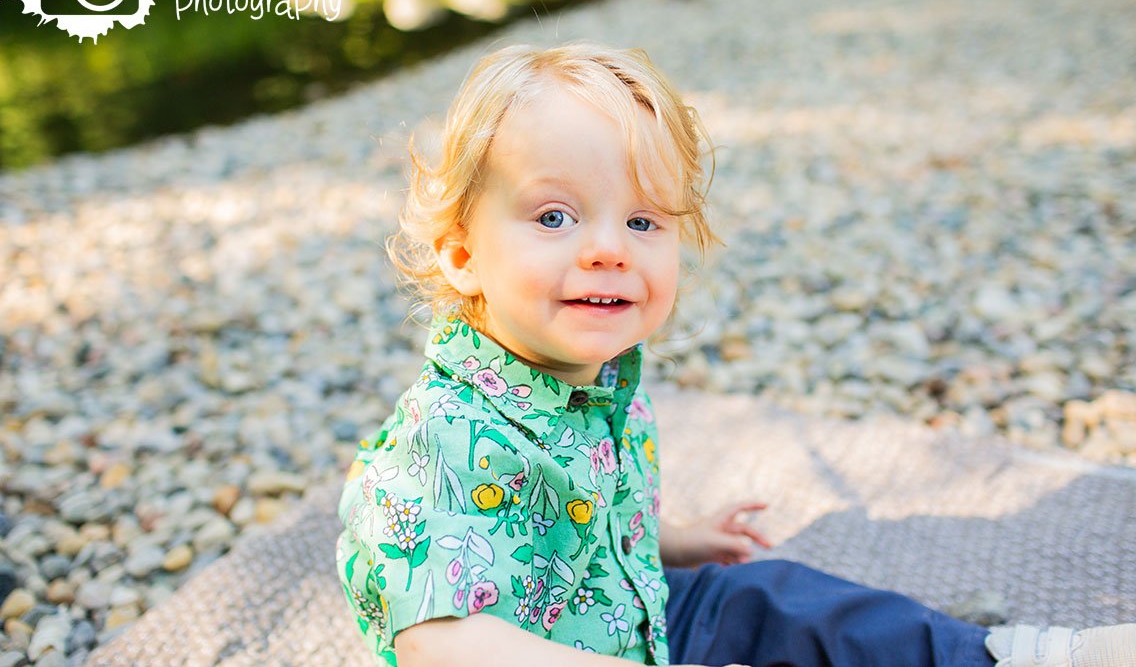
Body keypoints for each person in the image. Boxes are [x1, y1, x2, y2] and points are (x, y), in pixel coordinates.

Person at [334, 41, 1135, 667]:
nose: (609, 248)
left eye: (643, 222)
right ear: (462, 254)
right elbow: (442, 645)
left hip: (619, 612)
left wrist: (668, 538)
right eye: (554, 217)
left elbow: (576, 516)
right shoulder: (441, 442)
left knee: (775, 600)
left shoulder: (597, 379)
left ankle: (996, 655)